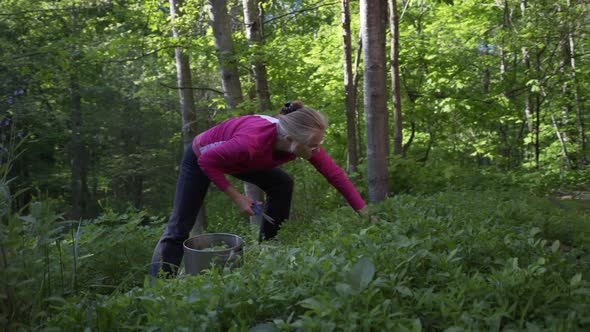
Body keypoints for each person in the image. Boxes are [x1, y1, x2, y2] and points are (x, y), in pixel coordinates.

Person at [149, 101, 368, 277]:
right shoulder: (250, 143)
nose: (317, 150)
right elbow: (206, 161)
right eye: (313, 146)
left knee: (282, 184)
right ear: (291, 141)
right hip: (200, 157)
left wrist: (365, 213)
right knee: (180, 225)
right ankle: (159, 285)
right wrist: (237, 198)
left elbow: (336, 176)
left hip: (245, 161)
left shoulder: (299, 140)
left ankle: (269, 249)